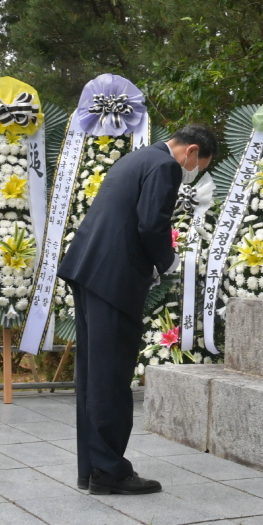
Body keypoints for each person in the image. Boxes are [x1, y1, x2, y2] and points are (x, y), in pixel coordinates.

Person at [59, 123, 217, 495]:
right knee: (111, 376)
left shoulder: (139, 158)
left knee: (93, 376)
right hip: (113, 279)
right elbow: (151, 225)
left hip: (90, 271)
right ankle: (110, 471)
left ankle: (92, 468)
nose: (194, 175)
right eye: (199, 168)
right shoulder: (165, 166)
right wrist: (168, 261)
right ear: (192, 151)